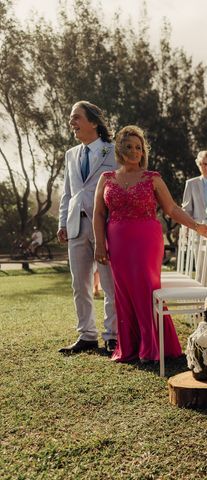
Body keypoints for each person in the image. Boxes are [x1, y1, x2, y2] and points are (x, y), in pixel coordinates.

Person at [93, 125, 207, 363]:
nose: (133, 151)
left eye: (138, 147)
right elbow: (98, 213)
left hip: (146, 241)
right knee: (124, 292)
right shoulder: (106, 178)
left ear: (143, 152)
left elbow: (171, 209)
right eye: (128, 146)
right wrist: (99, 244)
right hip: (117, 242)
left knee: (146, 289)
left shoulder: (153, 178)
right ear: (119, 149)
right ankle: (130, 346)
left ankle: (152, 346)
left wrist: (196, 226)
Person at [57, 101, 118, 355]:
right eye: (71, 118)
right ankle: (87, 336)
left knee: (109, 283)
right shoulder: (71, 154)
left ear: (93, 122)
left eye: (76, 117)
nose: (72, 122)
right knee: (79, 284)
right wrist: (62, 222)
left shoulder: (112, 152)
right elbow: (68, 192)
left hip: (104, 226)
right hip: (75, 226)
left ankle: (113, 336)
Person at [181, 151, 207, 222]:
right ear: (199, 165)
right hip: (198, 229)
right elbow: (186, 210)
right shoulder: (191, 184)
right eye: (205, 164)